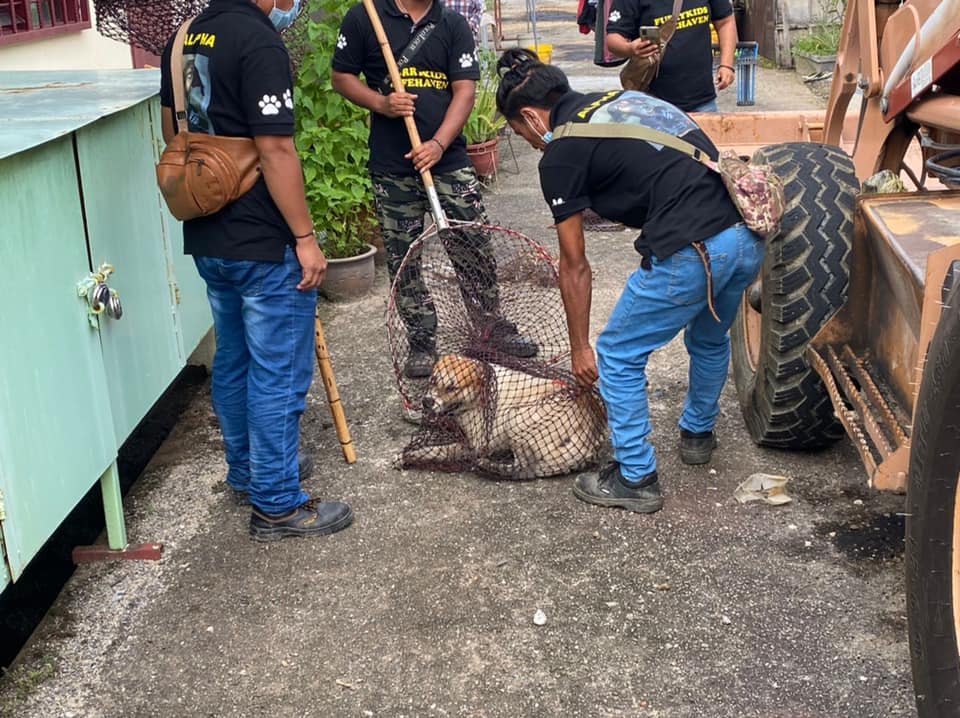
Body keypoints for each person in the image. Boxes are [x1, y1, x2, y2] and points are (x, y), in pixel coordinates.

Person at [495, 49, 763, 513]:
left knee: (618, 354)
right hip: (745, 236)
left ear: (531, 116)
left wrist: (581, 347)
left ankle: (635, 476)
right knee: (709, 337)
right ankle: (698, 433)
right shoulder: (622, 101)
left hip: (692, 249)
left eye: (520, 132)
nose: (528, 141)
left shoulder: (560, 153)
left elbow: (574, 263)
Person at [159, 0, 353, 540]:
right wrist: (306, 239)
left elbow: (176, 130)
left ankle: (250, 471)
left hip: (207, 230)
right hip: (262, 239)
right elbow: (274, 147)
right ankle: (277, 505)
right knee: (278, 375)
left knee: (236, 360)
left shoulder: (184, 38)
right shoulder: (258, 40)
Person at [331, 0, 536, 383]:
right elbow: (341, 77)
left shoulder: (452, 24)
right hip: (392, 166)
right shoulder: (366, 17)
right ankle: (422, 338)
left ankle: (489, 326)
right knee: (404, 256)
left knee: (473, 243)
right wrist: (381, 103)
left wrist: (439, 144)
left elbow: (464, 92)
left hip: (449, 161)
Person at [606, 0, 737, 113]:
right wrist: (630, 49)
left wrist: (727, 65)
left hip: (703, 101)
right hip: (652, 104)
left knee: (704, 142)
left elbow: (725, 21)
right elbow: (613, 38)